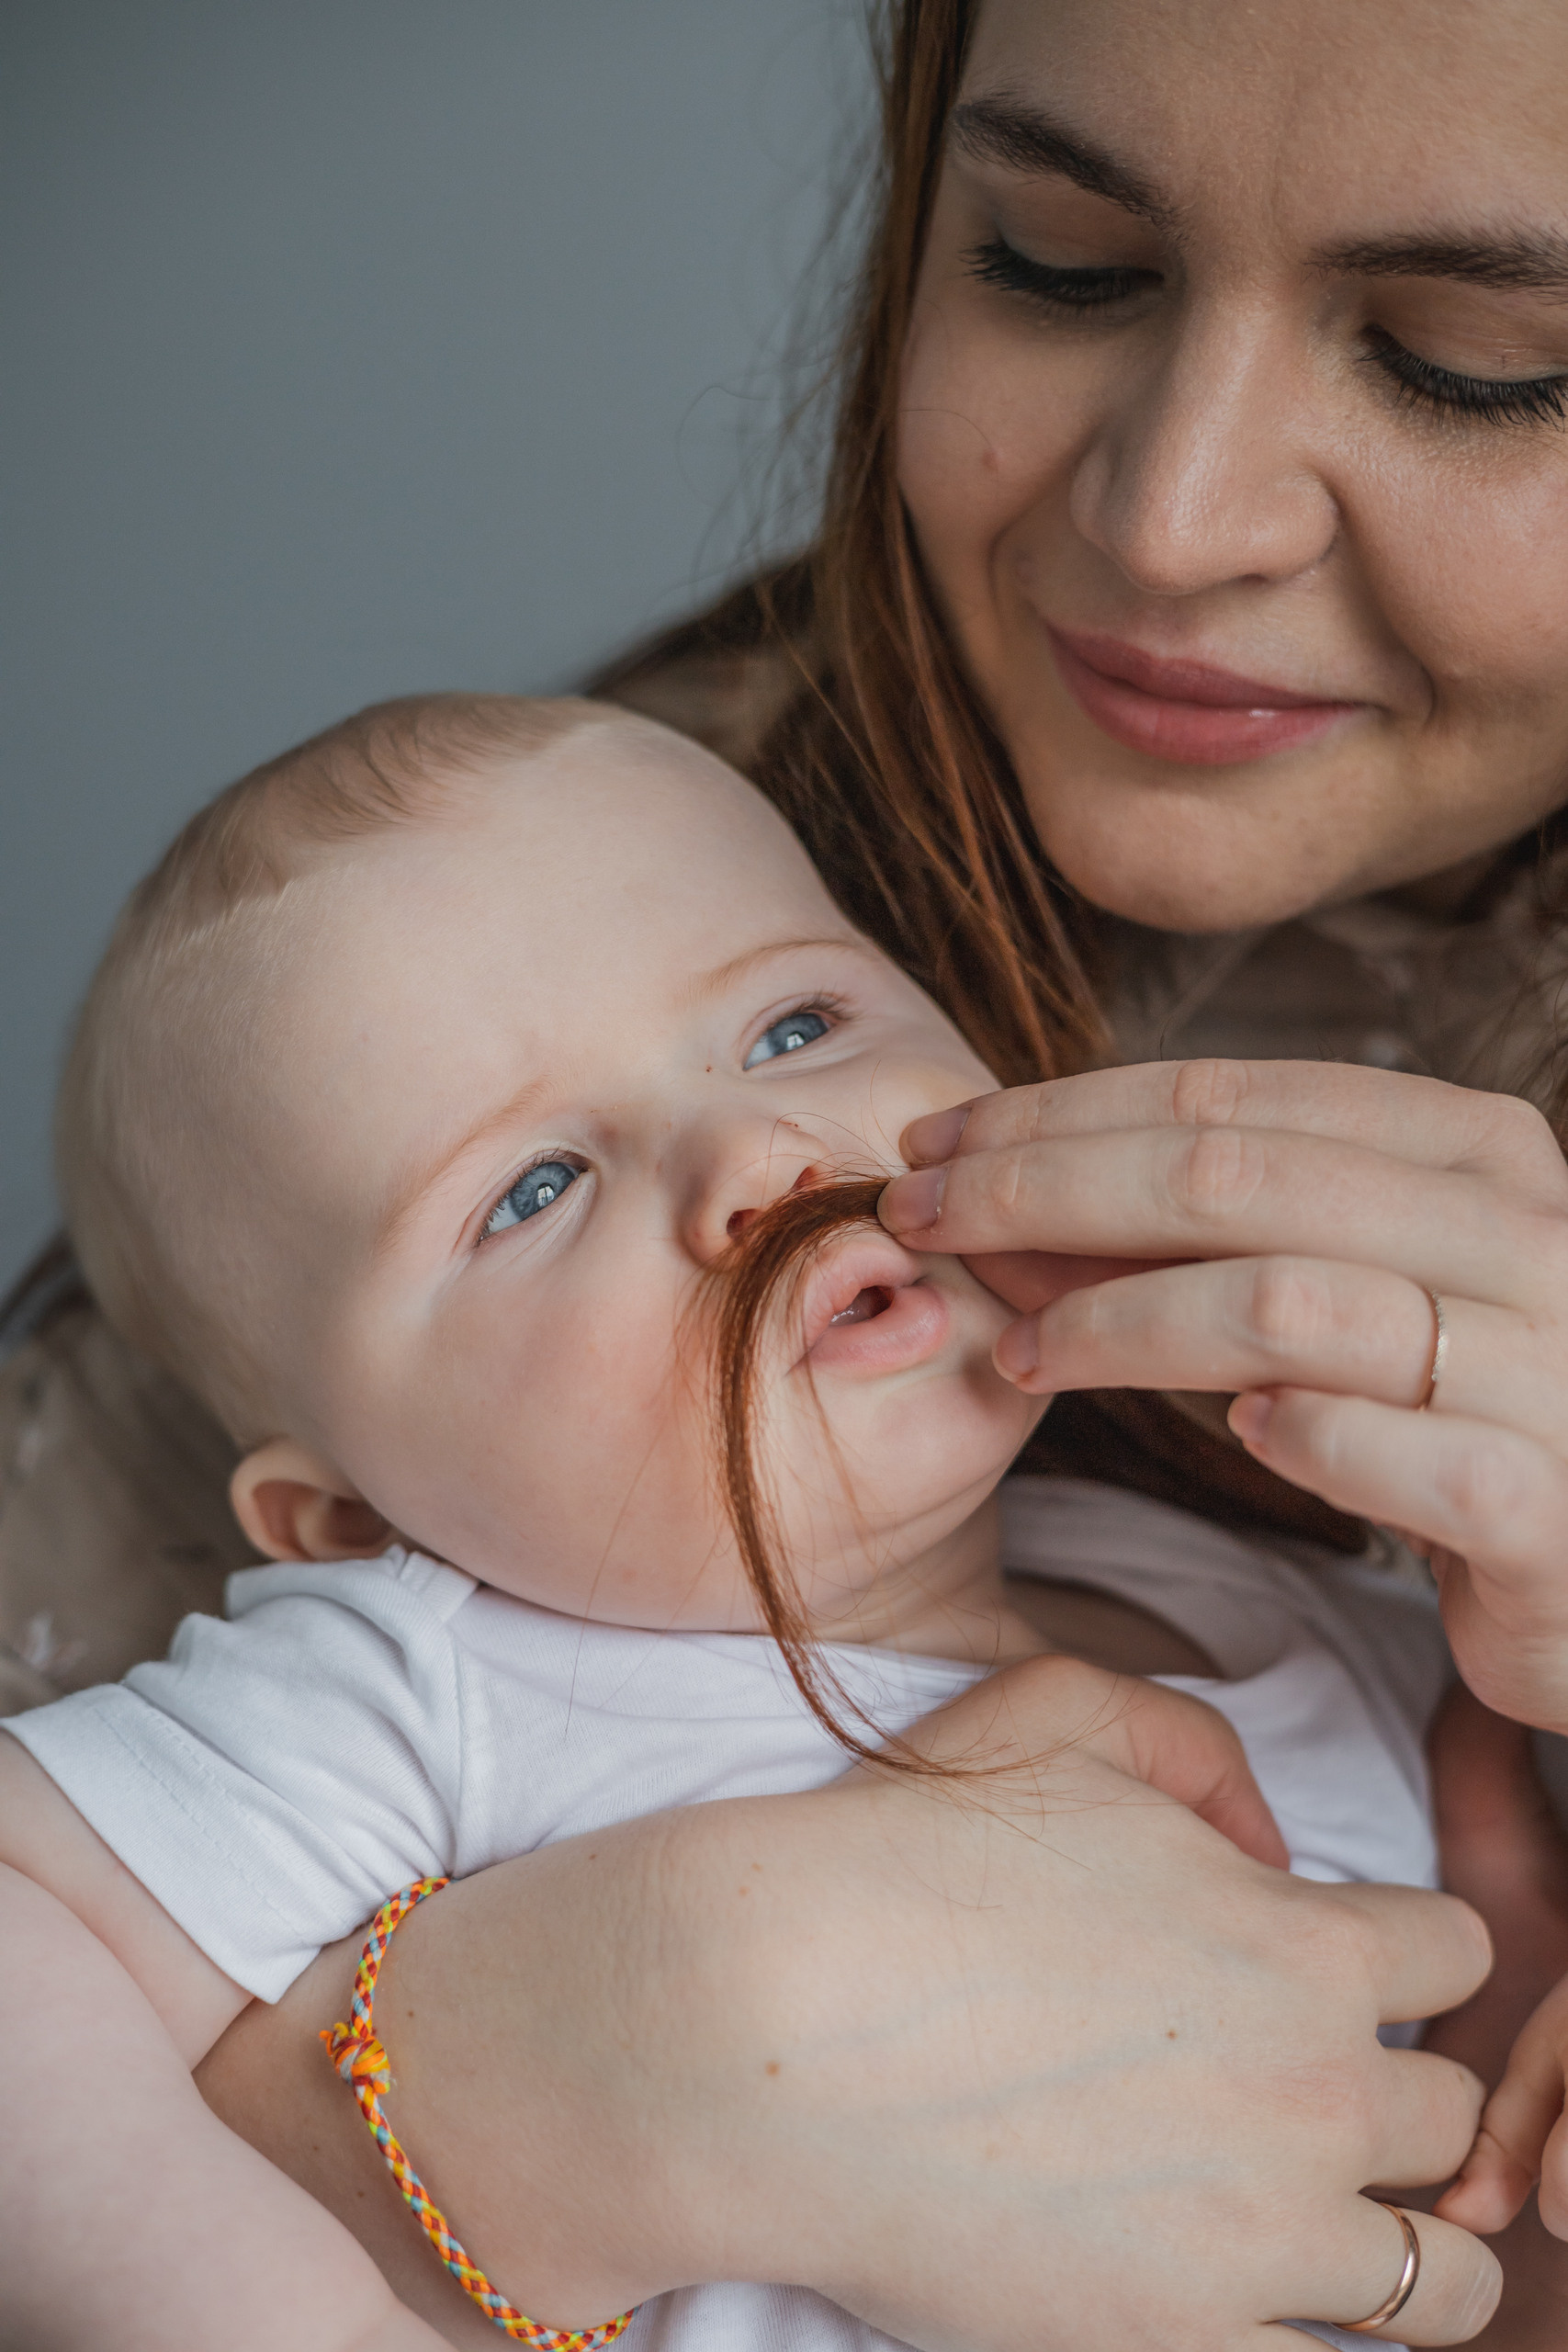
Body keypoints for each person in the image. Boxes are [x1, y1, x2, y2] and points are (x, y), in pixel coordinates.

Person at [5, 0, 1568, 2339]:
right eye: (1053, 257)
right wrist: (500, 2117)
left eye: (1464, 357)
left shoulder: (1298, 1636)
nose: (1162, 521)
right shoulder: (429, 1661)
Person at [0, 692, 1509, 2351]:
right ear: (353, 1514)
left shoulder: (1276, 1593)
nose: (756, 1150)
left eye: (794, 1026)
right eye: (534, 1188)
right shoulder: (440, 1678)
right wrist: (275, 2309)